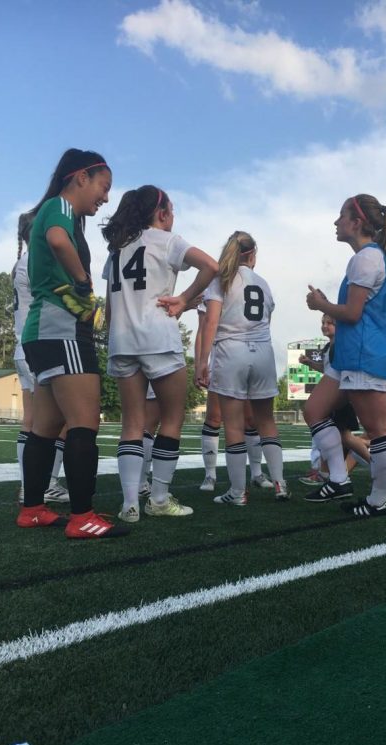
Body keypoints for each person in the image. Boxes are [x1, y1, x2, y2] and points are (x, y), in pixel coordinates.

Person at [17, 148, 127, 539]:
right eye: (104, 186)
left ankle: (32, 509)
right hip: (61, 331)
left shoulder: (53, 209)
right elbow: (59, 241)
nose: (106, 196)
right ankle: (83, 517)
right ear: (81, 177)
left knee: (46, 427)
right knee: (85, 423)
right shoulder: (61, 208)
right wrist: (83, 281)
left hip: (43, 333)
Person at [101, 184, 218, 522]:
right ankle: (160, 499)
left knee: (132, 424)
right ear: (162, 213)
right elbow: (211, 266)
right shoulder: (166, 240)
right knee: (172, 419)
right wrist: (183, 299)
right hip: (158, 337)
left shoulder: (117, 250)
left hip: (122, 341)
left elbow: (110, 307)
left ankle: (129, 505)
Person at [303, 193, 386, 517]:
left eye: (341, 216)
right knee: (314, 410)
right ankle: (339, 478)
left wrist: (320, 305)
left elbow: (351, 313)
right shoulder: (368, 257)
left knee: (378, 431)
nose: (336, 222)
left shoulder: (366, 259)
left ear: (357, 222)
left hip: (364, 352)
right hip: (353, 352)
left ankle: (378, 499)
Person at [194, 230, 289, 505]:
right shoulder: (263, 282)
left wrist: (202, 361)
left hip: (231, 350)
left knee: (233, 425)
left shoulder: (220, 280)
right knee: (266, 422)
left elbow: (210, 322)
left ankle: (237, 492)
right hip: (262, 351)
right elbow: (266, 322)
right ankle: (280, 484)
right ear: (252, 255)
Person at [12, 211, 70, 505]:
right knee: (56, 420)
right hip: (38, 345)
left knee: (32, 419)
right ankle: (43, 483)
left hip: (22, 347)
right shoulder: (34, 262)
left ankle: (32, 485)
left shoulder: (21, 262)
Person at [195, 306, 272, 492]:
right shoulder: (214, 287)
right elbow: (203, 328)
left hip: (249, 355)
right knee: (214, 416)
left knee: (251, 419)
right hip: (222, 355)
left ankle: (256, 473)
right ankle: (210, 475)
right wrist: (200, 363)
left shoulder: (254, 284)